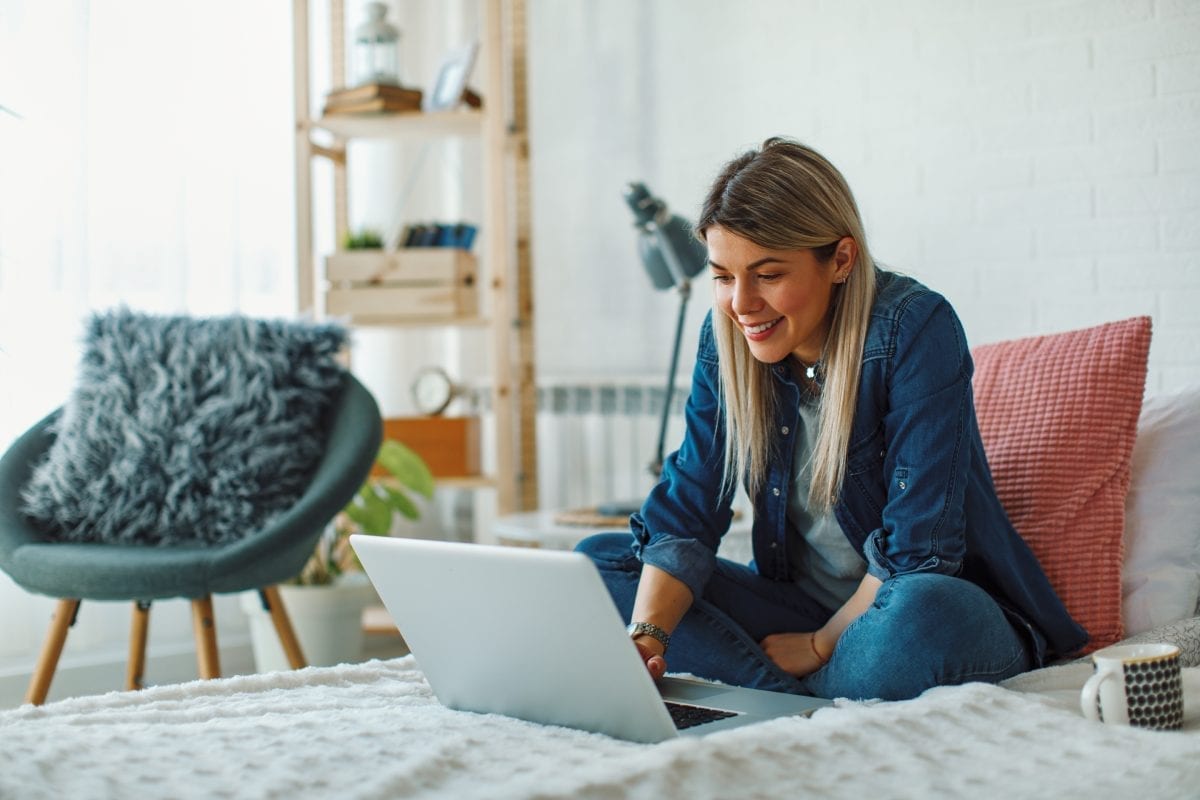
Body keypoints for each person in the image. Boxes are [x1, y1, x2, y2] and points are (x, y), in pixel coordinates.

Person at [577, 138, 1087, 701]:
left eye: (767, 274)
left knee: (922, 609)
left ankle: (791, 694)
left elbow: (919, 550)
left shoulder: (915, 327)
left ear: (841, 259)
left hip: (920, 608)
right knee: (600, 566)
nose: (741, 304)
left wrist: (821, 644)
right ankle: (809, 701)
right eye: (723, 276)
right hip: (798, 606)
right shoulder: (724, 339)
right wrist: (646, 636)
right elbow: (688, 508)